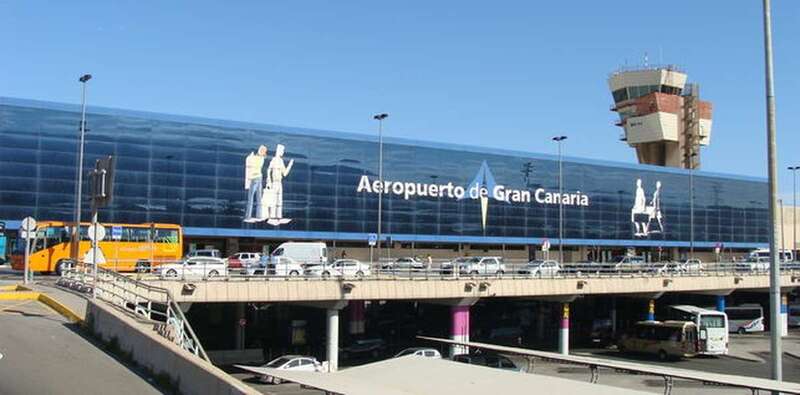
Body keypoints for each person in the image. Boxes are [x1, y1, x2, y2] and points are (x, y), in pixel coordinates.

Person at [266, 144, 294, 224]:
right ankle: (272, 217)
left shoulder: (281, 161)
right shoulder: (274, 160)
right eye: (282, 151)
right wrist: (269, 181)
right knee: (274, 200)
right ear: (279, 150)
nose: (283, 152)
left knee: (279, 201)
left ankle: (278, 217)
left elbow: (284, 173)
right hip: (274, 182)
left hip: (279, 182)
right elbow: (269, 170)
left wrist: (290, 165)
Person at [244, 145, 267, 222]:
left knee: (250, 198)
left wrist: (251, 157)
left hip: (254, 178)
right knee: (259, 198)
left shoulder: (255, 158)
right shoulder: (261, 159)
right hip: (259, 177)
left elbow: (252, 167)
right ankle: (259, 216)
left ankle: (248, 216)